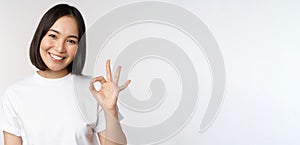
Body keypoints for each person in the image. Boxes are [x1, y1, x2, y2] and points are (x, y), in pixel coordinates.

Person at [0, 3, 130, 145]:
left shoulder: (94, 90)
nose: (60, 48)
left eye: (71, 41)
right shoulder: (15, 94)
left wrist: (110, 111)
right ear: (40, 36)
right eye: (53, 36)